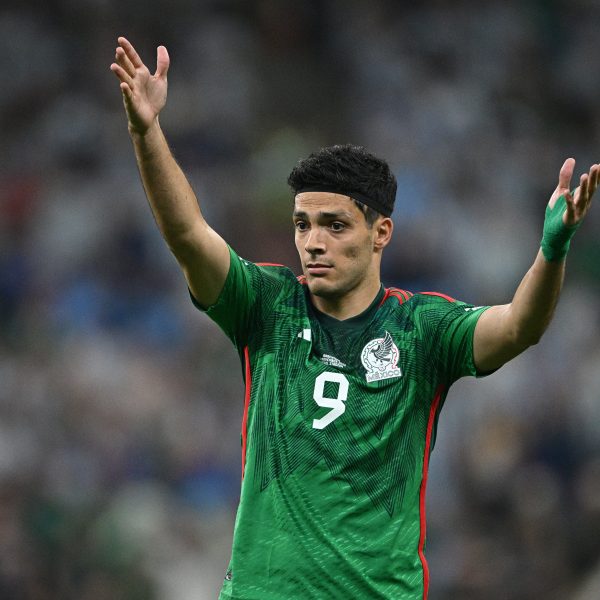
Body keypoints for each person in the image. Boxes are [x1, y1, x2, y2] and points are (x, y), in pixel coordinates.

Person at [110, 37, 597, 600]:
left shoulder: (423, 330)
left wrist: (552, 250)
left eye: (334, 225)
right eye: (302, 224)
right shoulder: (266, 305)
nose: (312, 243)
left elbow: (519, 327)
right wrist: (147, 132)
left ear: (380, 232)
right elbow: (187, 232)